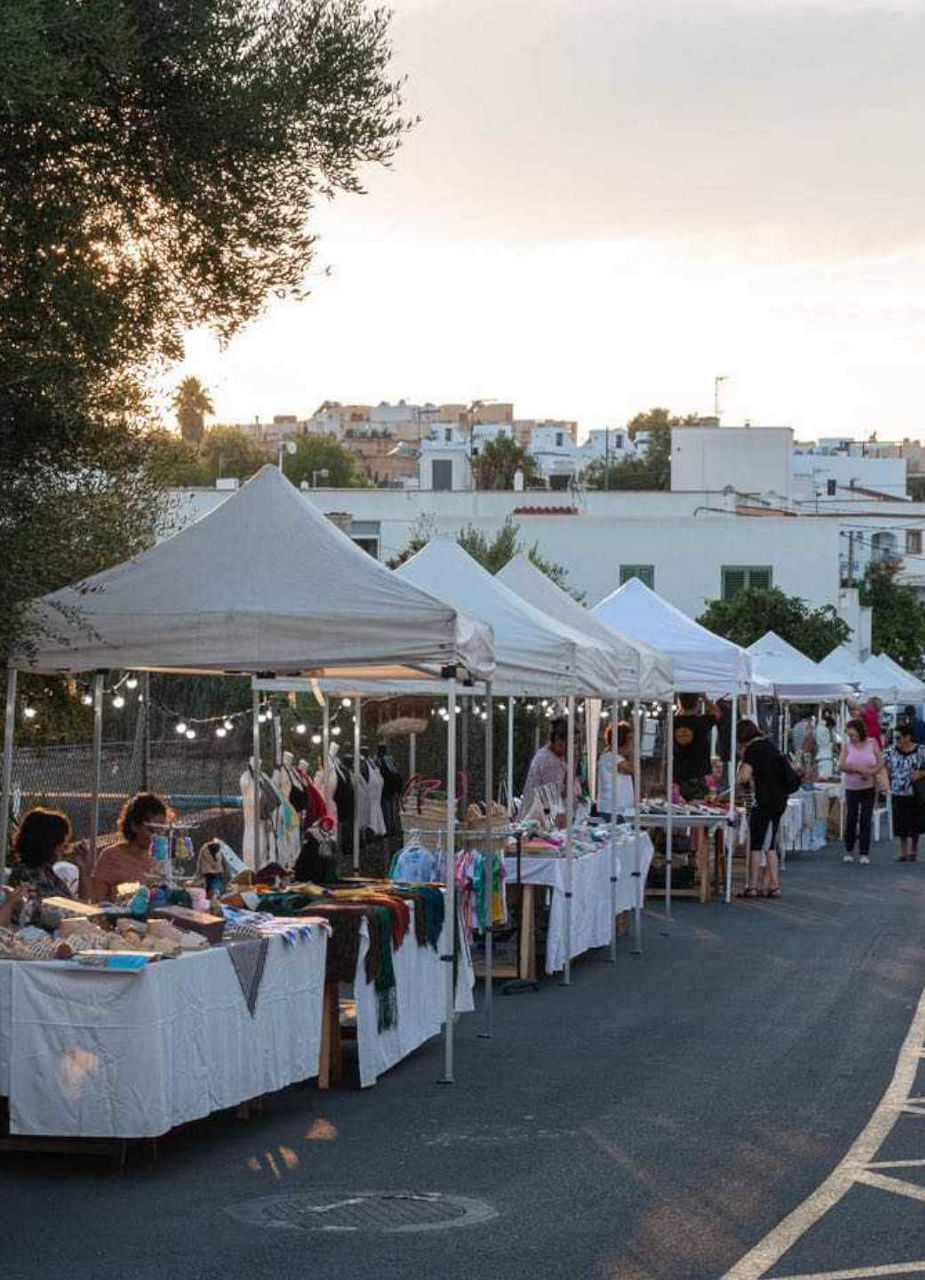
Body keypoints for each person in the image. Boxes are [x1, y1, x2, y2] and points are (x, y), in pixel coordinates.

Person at [2, 807, 89, 926]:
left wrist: (82, 868)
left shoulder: (48, 873)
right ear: (48, 844)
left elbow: (79, 905)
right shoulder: (25, 875)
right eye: (62, 842)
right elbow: (41, 916)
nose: (64, 848)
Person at [736, 720, 791, 899]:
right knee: (770, 842)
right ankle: (773, 885)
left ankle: (752, 885)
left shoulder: (753, 750)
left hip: (763, 800)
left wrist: (740, 771)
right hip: (779, 800)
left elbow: (743, 777)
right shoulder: (772, 746)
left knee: (756, 843)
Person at [89, 792, 168, 902]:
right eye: (152, 831)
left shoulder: (161, 862)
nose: (157, 837)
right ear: (134, 826)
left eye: (162, 831)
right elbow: (97, 901)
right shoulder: (112, 857)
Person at [838, 718, 882, 865]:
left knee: (865, 818)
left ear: (861, 733)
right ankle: (849, 849)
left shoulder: (872, 743)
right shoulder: (847, 746)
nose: (852, 738)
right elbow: (841, 765)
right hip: (852, 787)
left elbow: (881, 762)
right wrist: (856, 769)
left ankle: (864, 852)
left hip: (868, 786)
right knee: (851, 818)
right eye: (849, 735)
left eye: (853, 735)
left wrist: (871, 772)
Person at [884, 723, 925, 862]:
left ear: (908, 737)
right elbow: (881, 764)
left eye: (899, 738)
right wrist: (887, 774)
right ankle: (903, 852)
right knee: (900, 823)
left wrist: (921, 773)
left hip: (916, 792)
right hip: (898, 791)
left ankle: (914, 850)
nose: (897, 741)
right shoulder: (891, 751)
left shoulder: (921, 750)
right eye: (895, 738)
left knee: (916, 823)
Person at [672, 693, 717, 799]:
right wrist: (705, 697)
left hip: (679, 773)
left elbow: (677, 714)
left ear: (680, 703)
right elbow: (717, 713)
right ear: (697, 704)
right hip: (699, 773)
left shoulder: (673, 722)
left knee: (679, 809)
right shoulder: (702, 721)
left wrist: (680, 707)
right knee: (699, 808)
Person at [520, 720, 568, 818]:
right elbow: (552, 798)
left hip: (531, 814)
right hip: (538, 818)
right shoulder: (549, 761)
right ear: (558, 740)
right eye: (567, 745)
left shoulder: (543, 754)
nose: (568, 749)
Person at [596, 721, 635, 820]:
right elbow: (632, 770)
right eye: (630, 740)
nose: (632, 743)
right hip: (613, 811)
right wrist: (632, 752)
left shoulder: (613, 757)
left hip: (619, 810)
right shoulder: (610, 758)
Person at [814, 711, 837, 778]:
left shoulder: (818, 728)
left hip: (819, 757)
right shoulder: (828, 732)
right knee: (825, 780)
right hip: (827, 758)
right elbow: (833, 745)